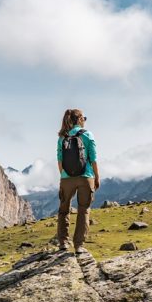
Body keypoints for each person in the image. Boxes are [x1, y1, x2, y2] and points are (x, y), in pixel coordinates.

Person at [57, 108, 100, 254]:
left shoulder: (62, 137)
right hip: (86, 177)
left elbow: (60, 161)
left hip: (66, 178)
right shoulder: (88, 135)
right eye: (84, 118)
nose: (85, 121)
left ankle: (63, 242)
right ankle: (79, 245)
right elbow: (93, 158)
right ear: (80, 119)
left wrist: (65, 176)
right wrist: (96, 177)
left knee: (63, 210)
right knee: (84, 210)